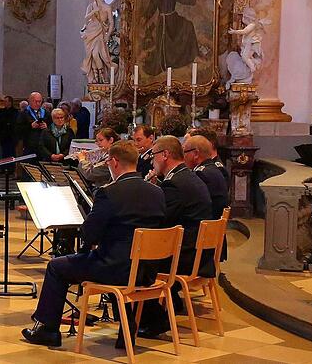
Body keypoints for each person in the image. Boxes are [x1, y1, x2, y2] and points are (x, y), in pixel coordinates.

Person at [22, 141, 166, 348]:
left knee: (56, 267)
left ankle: (47, 329)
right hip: (146, 270)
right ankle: (127, 327)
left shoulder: (110, 192)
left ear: (115, 162)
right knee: (109, 256)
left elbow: (89, 233)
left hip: (115, 270)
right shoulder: (157, 192)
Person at [137, 135, 214, 339]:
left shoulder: (175, 184)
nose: (152, 161)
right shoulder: (188, 177)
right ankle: (171, 303)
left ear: (165, 155)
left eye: (153, 155)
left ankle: (153, 319)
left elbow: (159, 220)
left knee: (137, 259)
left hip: (186, 258)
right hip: (199, 253)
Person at [15, 92, 50, 156]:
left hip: (44, 146)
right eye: (35, 101)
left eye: (40, 101)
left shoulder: (46, 113)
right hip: (29, 146)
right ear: (30, 101)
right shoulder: (23, 113)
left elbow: (52, 126)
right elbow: (18, 130)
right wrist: (30, 126)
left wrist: (46, 126)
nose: (38, 104)